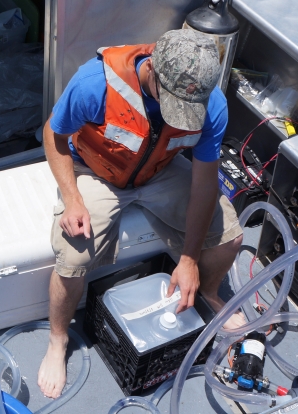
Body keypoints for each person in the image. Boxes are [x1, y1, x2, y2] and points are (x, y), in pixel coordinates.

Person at [37, 29, 244, 398]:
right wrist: (72, 199)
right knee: (72, 256)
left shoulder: (211, 105)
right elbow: (53, 136)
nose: (182, 116)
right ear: (152, 70)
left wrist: (190, 258)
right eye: (175, 103)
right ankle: (57, 339)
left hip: (160, 172)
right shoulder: (93, 84)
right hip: (95, 174)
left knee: (230, 237)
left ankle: (210, 292)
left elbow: (204, 184)